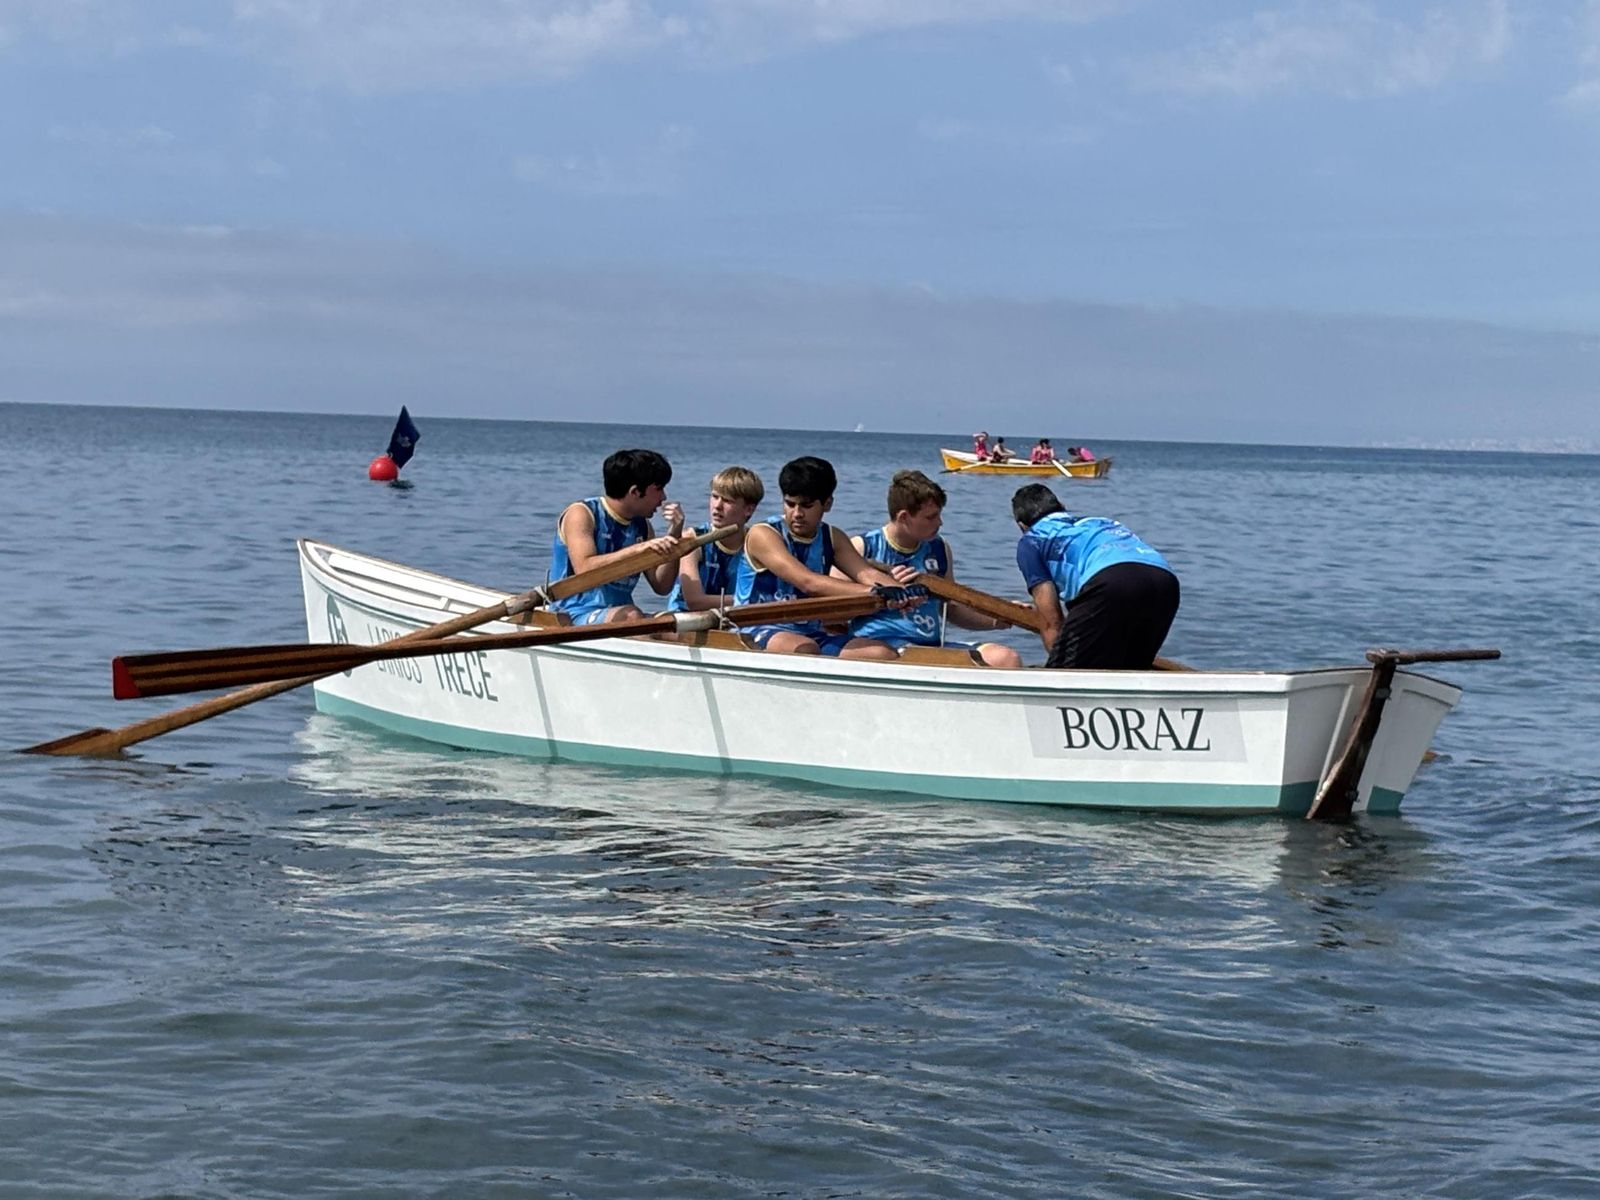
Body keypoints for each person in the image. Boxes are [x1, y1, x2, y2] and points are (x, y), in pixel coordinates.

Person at [732, 456, 913, 657]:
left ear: (827, 504)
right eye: (790, 504)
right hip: (754, 629)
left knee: (882, 653)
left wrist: (905, 593)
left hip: (810, 632)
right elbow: (808, 582)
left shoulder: (833, 537)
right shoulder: (763, 534)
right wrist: (876, 592)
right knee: (806, 649)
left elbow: (866, 573)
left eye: (806, 506)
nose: (797, 513)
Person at [846, 470, 1022, 668]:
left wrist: (996, 619)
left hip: (928, 644)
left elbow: (952, 609)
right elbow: (832, 609)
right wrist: (885, 594)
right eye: (931, 517)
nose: (940, 523)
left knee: (1006, 658)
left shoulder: (939, 548)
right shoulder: (862, 547)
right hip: (881, 644)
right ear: (904, 517)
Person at [1012, 483, 1178, 669]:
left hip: (1112, 581)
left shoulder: (1032, 539)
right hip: (1165, 581)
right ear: (1063, 507)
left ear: (1021, 526)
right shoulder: (1101, 522)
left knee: (1070, 674)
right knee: (1131, 670)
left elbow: (1051, 620)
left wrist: (1061, 663)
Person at [547, 449, 684, 625]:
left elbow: (662, 585)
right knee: (632, 616)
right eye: (659, 489)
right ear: (635, 491)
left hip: (618, 613)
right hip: (571, 613)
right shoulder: (582, 514)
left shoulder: (642, 527)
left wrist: (674, 534)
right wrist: (639, 549)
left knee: (676, 624)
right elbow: (584, 568)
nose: (663, 497)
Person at [666, 466, 764, 612]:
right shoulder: (693, 539)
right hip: (684, 621)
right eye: (715, 496)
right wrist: (751, 599)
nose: (717, 506)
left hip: (730, 623)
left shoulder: (756, 544)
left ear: (748, 509)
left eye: (727, 501)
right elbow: (695, 601)